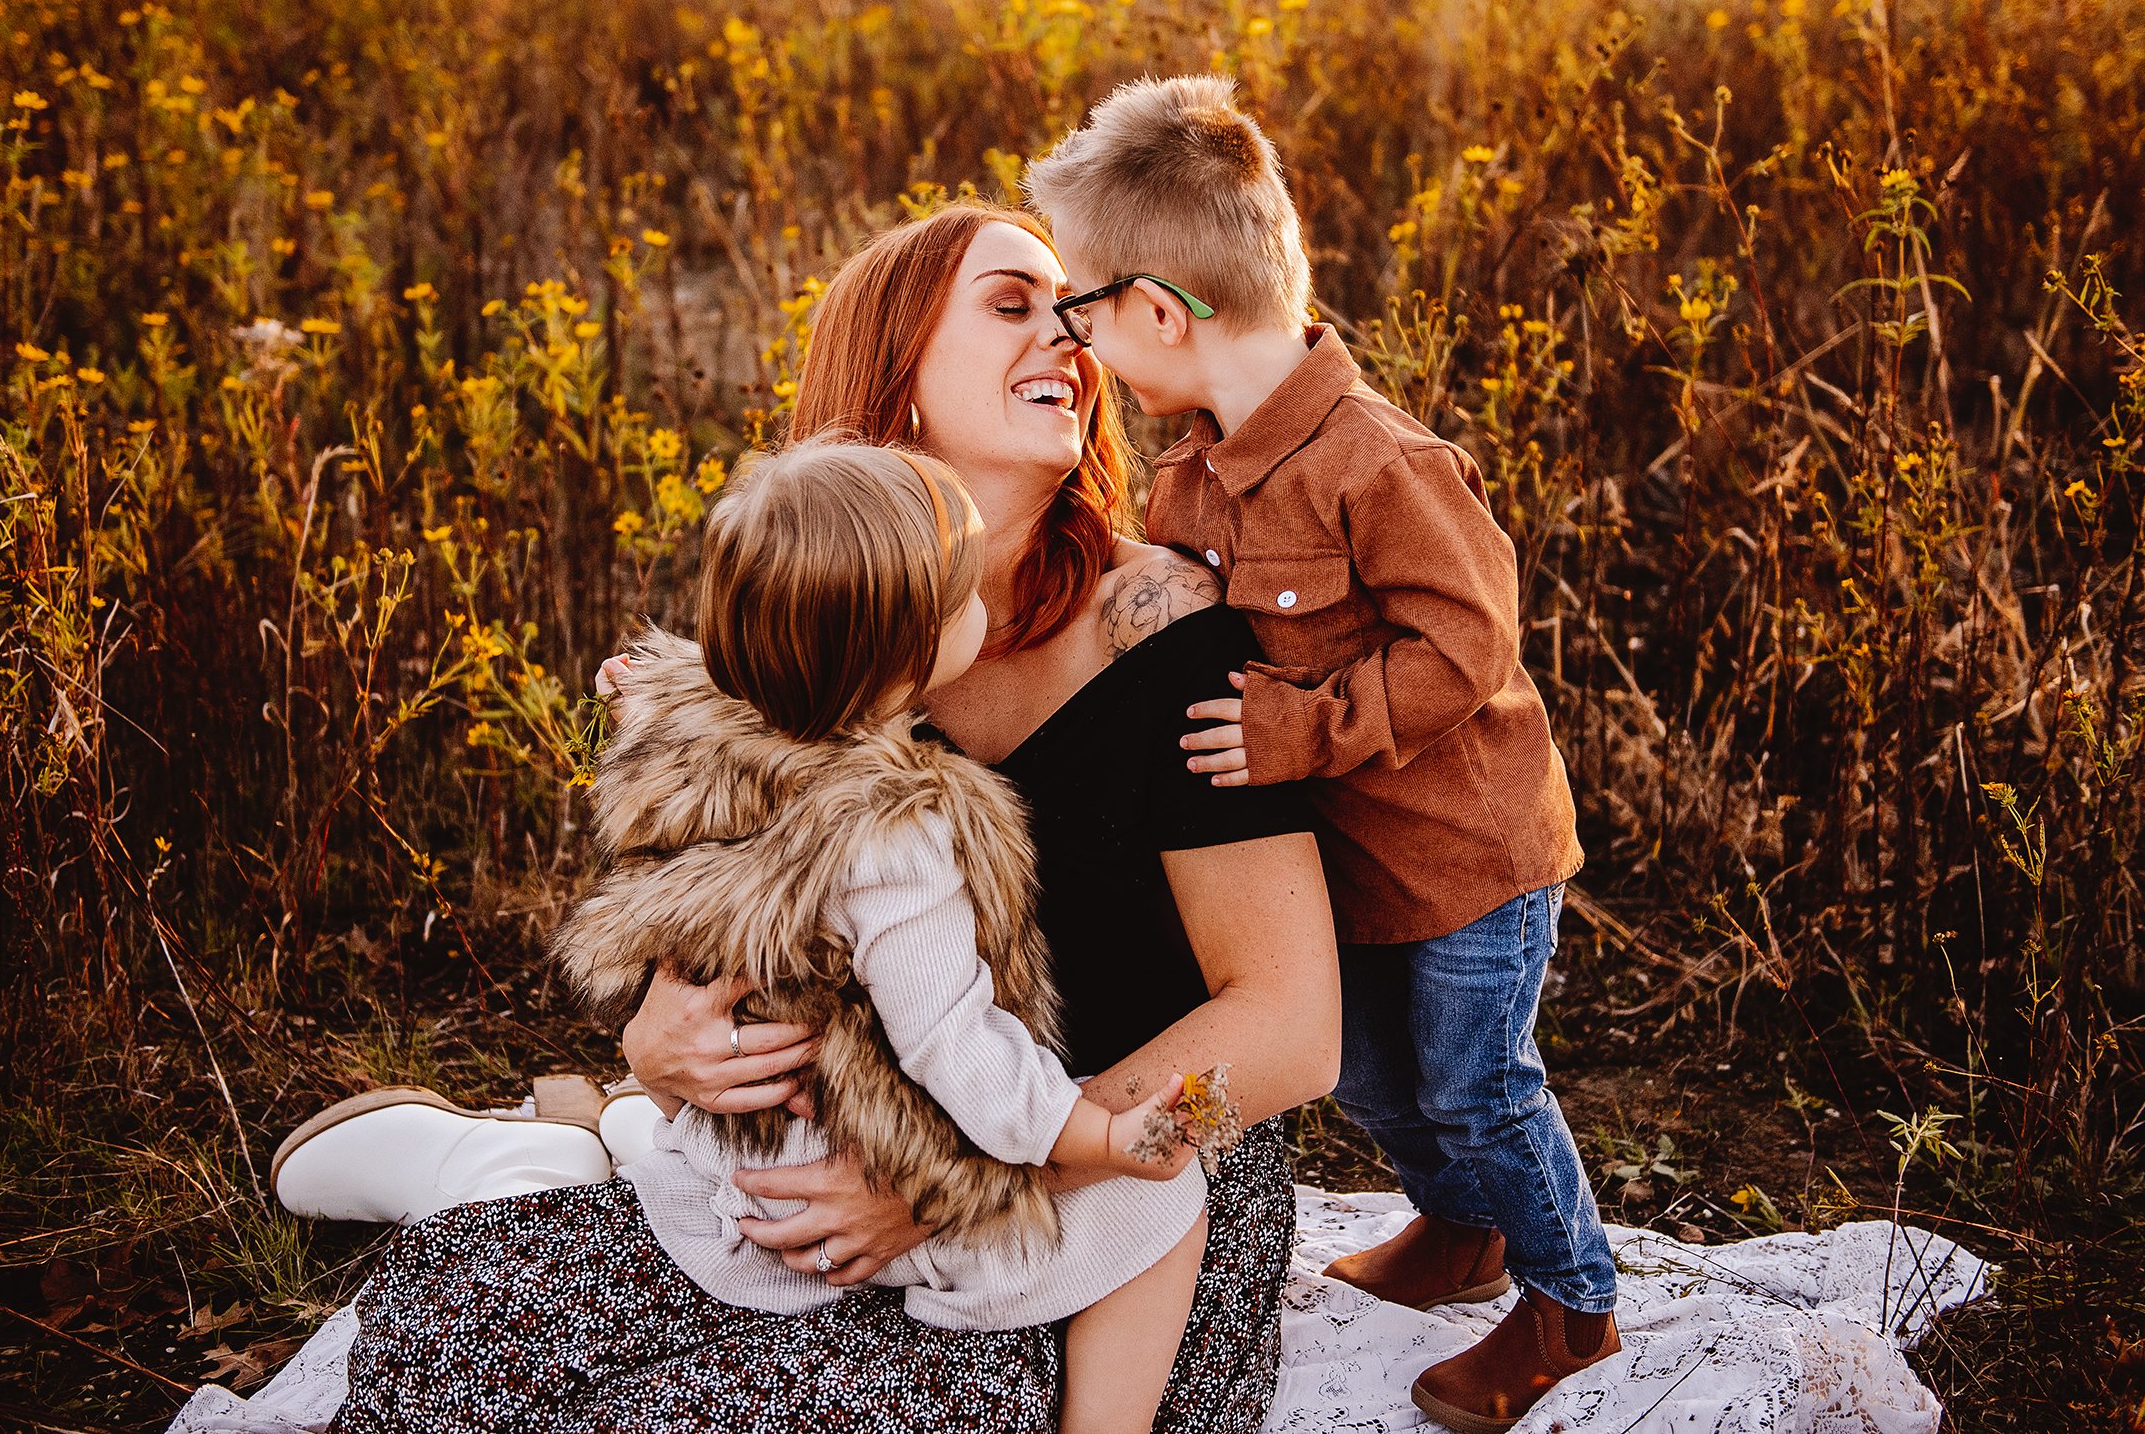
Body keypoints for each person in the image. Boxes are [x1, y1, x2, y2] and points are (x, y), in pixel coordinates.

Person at [278, 201, 1342, 1434]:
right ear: (894, 379)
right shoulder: (815, 636)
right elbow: (736, 917)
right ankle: (567, 1138)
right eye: (1012, 306)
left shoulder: (1163, 625)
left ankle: (570, 1146)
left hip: (1108, 1195)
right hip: (840, 1155)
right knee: (443, 1329)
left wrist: (969, 1173)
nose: (1069, 339)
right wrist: (660, 1043)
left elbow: (1295, 1029)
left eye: (1072, 314)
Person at [1023, 76, 1622, 1432]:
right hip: (1354, 865)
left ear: (1162, 317)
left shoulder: (1375, 461)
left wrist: (1306, 728)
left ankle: (1569, 1298)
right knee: (1368, 1073)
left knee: (1477, 1081)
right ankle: (1462, 1231)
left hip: (1470, 857)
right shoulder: (1192, 479)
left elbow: (1470, 643)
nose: (1081, 340)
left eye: (1084, 311)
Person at [556, 437, 1211, 1434]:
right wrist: (1096, 1135)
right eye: (962, 596)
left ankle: (590, 1136)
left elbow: (658, 698)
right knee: (1163, 1204)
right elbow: (955, 1044)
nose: (980, 605)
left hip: (737, 1151)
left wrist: (637, 694)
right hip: (820, 1189)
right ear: (912, 650)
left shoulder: (708, 729)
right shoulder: (892, 835)